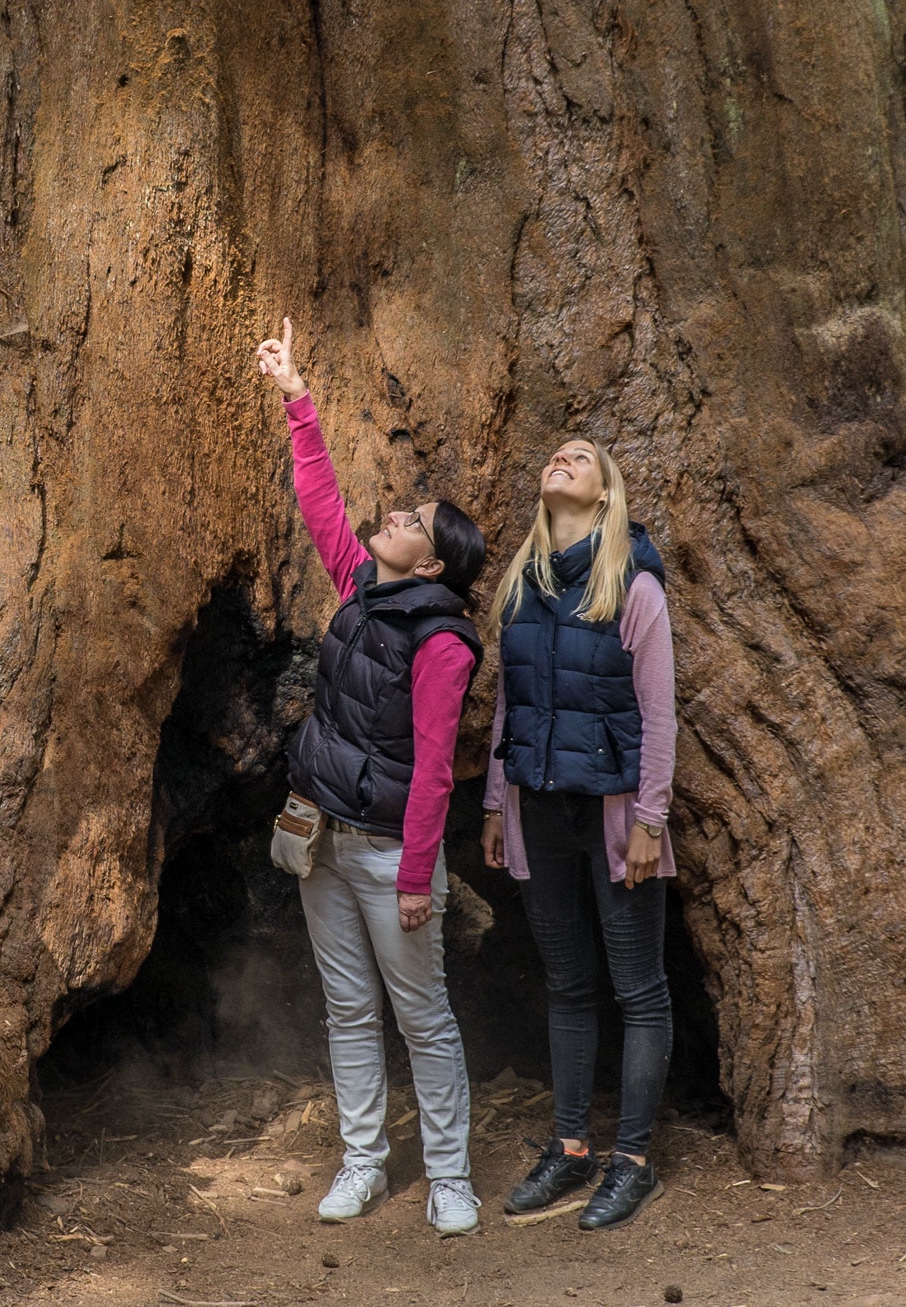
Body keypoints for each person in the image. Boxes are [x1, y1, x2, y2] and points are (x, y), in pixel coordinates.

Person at [253, 318, 489, 1238]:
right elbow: (321, 502)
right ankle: (361, 1163)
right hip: (323, 834)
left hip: (393, 856)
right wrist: (296, 398)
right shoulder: (361, 587)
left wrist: (424, 875)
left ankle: (451, 1177)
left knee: (421, 1014)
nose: (391, 516)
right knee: (348, 1007)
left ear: (429, 564)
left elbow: (435, 770)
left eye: (411, 525)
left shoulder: (441, 641)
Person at [480, 438, 676, 1232]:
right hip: (540, 811)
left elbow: (659, 711)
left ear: (603, 496)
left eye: (583, 457)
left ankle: (631, 1160)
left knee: (639, 987)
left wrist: (651, 822)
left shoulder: (634, 582)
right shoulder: (522, 584)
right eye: (557, 453)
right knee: (567, 983)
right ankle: (571, 1148)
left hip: (616, 816)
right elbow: (509, 706)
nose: (564, 457)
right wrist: (497, 803)